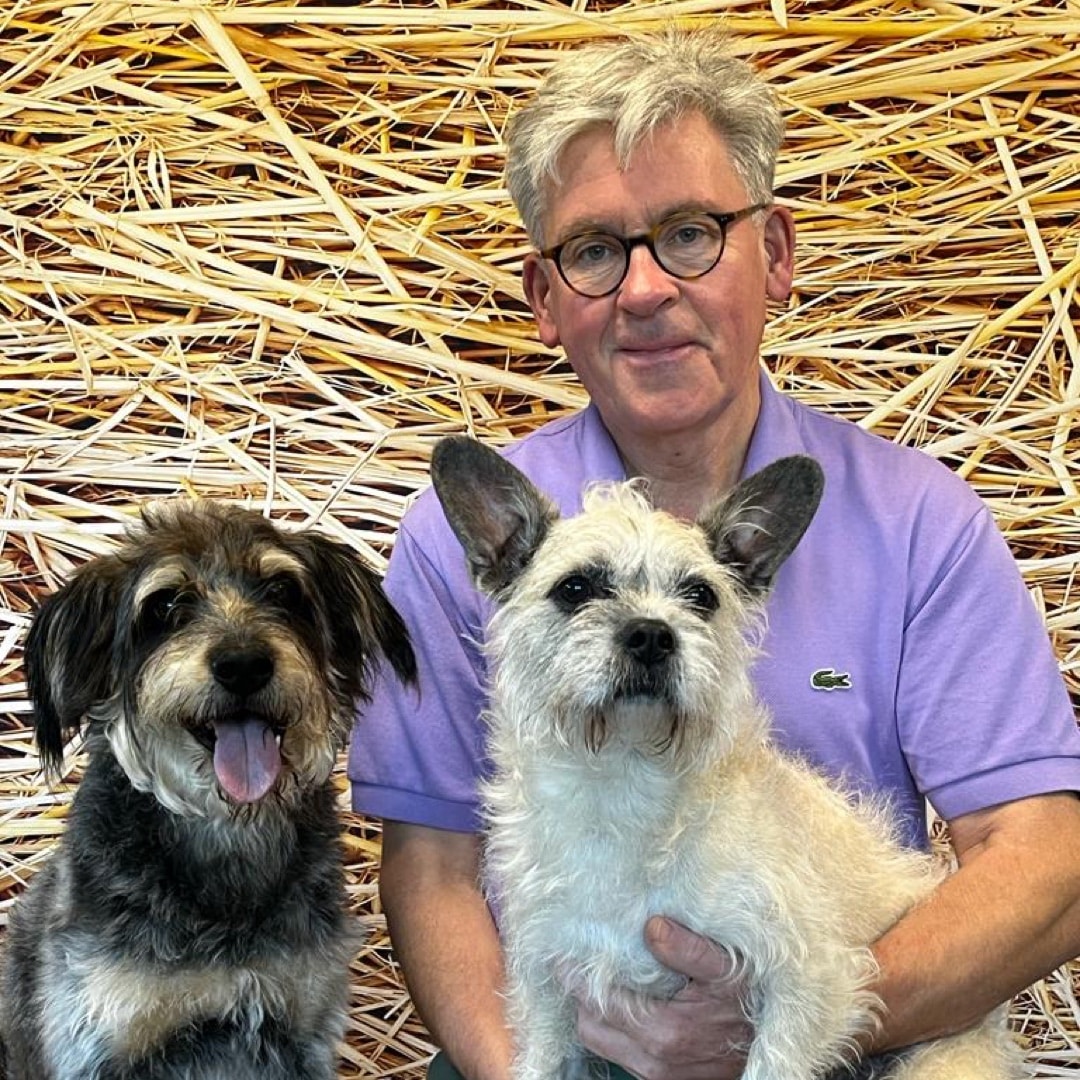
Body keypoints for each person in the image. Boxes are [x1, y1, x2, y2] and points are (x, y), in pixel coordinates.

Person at [349, 27, 1080, 1080]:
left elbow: (1047, 862)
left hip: (869, 1031)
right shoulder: (460, 538)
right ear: (544, 299)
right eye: (594, 250)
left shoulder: (922, 520)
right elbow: (432, 870)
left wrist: (795, 1021)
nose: (644, 289)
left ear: (775, 253)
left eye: (690, 233)